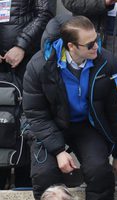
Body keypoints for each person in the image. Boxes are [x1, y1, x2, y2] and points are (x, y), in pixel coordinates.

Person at [23, 15, 117, 200]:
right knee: (44, 176)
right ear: (71, 46)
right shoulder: (38, 65)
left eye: (96, 40)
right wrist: (58, 151)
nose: (96, 46)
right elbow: (36, 114)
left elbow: (116, 111)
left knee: (100, 172)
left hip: (86, 125)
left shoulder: (106, 61)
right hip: (50, 124)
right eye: (89, 45)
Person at [0, 0, 53, 189]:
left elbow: (45, 14)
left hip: (27, 59)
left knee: (27, 120)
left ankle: (26, 184)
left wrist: (21, 45)